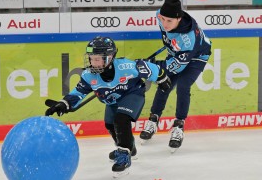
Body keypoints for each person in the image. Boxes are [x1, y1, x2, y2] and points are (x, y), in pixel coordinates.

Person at [45, 36, 171, 177]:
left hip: (132, 94)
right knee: (110, 125)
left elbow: (151, 68)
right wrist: (63, 104)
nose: (93, 62)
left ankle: (124, 155)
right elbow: (78, 92)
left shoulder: (126, 67)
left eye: (97, 59)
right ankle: (129, 148)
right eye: (91, 58)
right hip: (112, 101)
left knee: (121, 119)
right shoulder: (88, 76)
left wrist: (162, 78)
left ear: (110, 58)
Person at [140, 0, 212, 151]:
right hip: (177, 53)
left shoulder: (188, 39)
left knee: (182, 86)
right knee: (163, 84)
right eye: (163, 20)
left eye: (169, 21)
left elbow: (175, 68)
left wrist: (151, 66)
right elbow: (164, 24)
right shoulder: (160, 15)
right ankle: (154, 119)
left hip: (196, 57)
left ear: (179, 19)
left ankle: (179, 125)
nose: (165, 24)